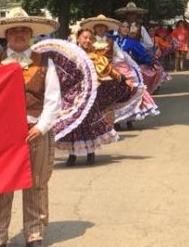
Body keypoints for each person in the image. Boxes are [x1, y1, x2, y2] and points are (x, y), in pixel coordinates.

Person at [0, 8, 62, 247]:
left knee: (36, 182)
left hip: (35, 129)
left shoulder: (46, 62)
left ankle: (34, 234)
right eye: (14, 30)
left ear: (31, 34)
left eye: (24, 30)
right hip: (1, 136)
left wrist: (41, 126)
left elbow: (53, 99)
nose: (19, 34)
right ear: (6, 35)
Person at [56, 27, 134, 165]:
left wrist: (123, 79)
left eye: (89, 38)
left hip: (90, 94)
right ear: (78, 38)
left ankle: (90, 153)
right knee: (73, 123)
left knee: (88, 122)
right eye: (84, 37)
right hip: (72, 95)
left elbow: (110, 70)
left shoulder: (95, 56)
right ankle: (72, 155)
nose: (87, 40)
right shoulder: (69, 54)